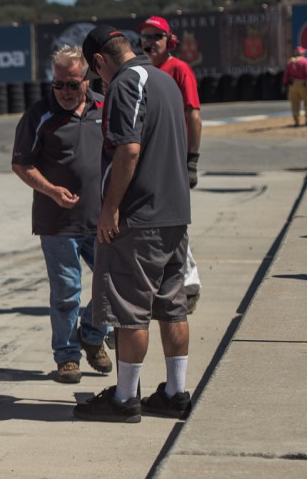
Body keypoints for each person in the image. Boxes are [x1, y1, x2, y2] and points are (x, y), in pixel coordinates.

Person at [74, 26, 192, 423]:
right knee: (173, 306)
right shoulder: (164, 78)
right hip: (175, 213)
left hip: (140, 217)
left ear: (99, 62)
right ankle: (175, 392)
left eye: (96, 75)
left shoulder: (125, 83)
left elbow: (128, 150)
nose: (98, 82)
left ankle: (125, 399)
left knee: (130, 312)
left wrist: (110, 208)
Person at [11, 45, 112, 384]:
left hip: (102, 219)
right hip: (57, 223)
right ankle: (67, 357)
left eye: (72, 84)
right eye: (59, 85)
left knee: (112, 285)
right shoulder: (40, 114)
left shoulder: (106, 108)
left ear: (87, 79)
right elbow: (21, 164)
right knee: (67, 292)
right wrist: (52, 190)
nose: (65, 92)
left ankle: (93, 336)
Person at [139, 16, 203, 313]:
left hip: (175, 161)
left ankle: (189, 284)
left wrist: (192, 160)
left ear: (169, 41)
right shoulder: (141, 72)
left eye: (156, 37)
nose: (150, 42)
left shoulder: (179, 69)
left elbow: (194, 116)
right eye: (146, 37)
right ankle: (173, 283)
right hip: (151, 160)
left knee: (176, 225)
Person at [284, 46, 307, 128]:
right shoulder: (304, 62)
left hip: (292, 85)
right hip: (303, 85)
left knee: (295, 104)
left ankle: (297, 121)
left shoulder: (290, 62)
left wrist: (285, 84)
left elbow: (286, 75)